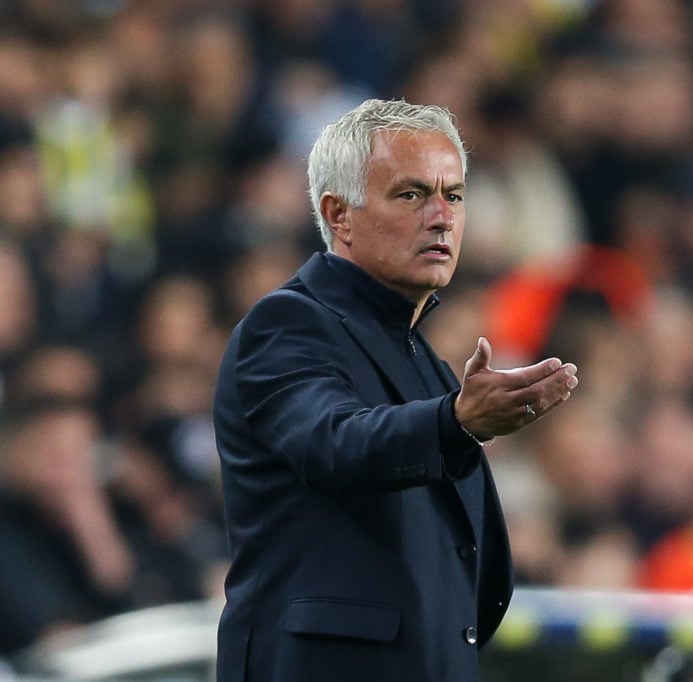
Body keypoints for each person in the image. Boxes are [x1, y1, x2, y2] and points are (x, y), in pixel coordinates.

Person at [213, 99, 579, 682]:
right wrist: (458, 423)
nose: (442, 217)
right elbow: (334, 442)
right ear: (339, 215)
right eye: (411, 195)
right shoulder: (286, 324)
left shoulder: (424, 360)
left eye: (453, 195)